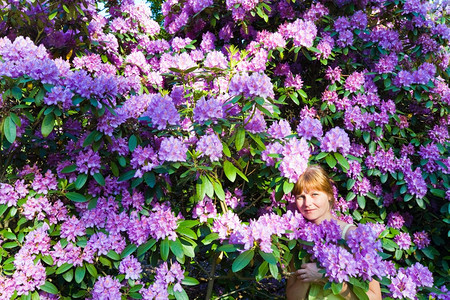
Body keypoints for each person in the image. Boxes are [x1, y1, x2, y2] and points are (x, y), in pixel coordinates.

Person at [286, 165, 382, 300]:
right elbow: (292, 297)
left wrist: (326, 276)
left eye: (314, 194)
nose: (307, 203)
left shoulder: (353, 236)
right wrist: (306, 276)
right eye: (301, 196)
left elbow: (375, 298)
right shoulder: (298, 238)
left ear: (330, 196)